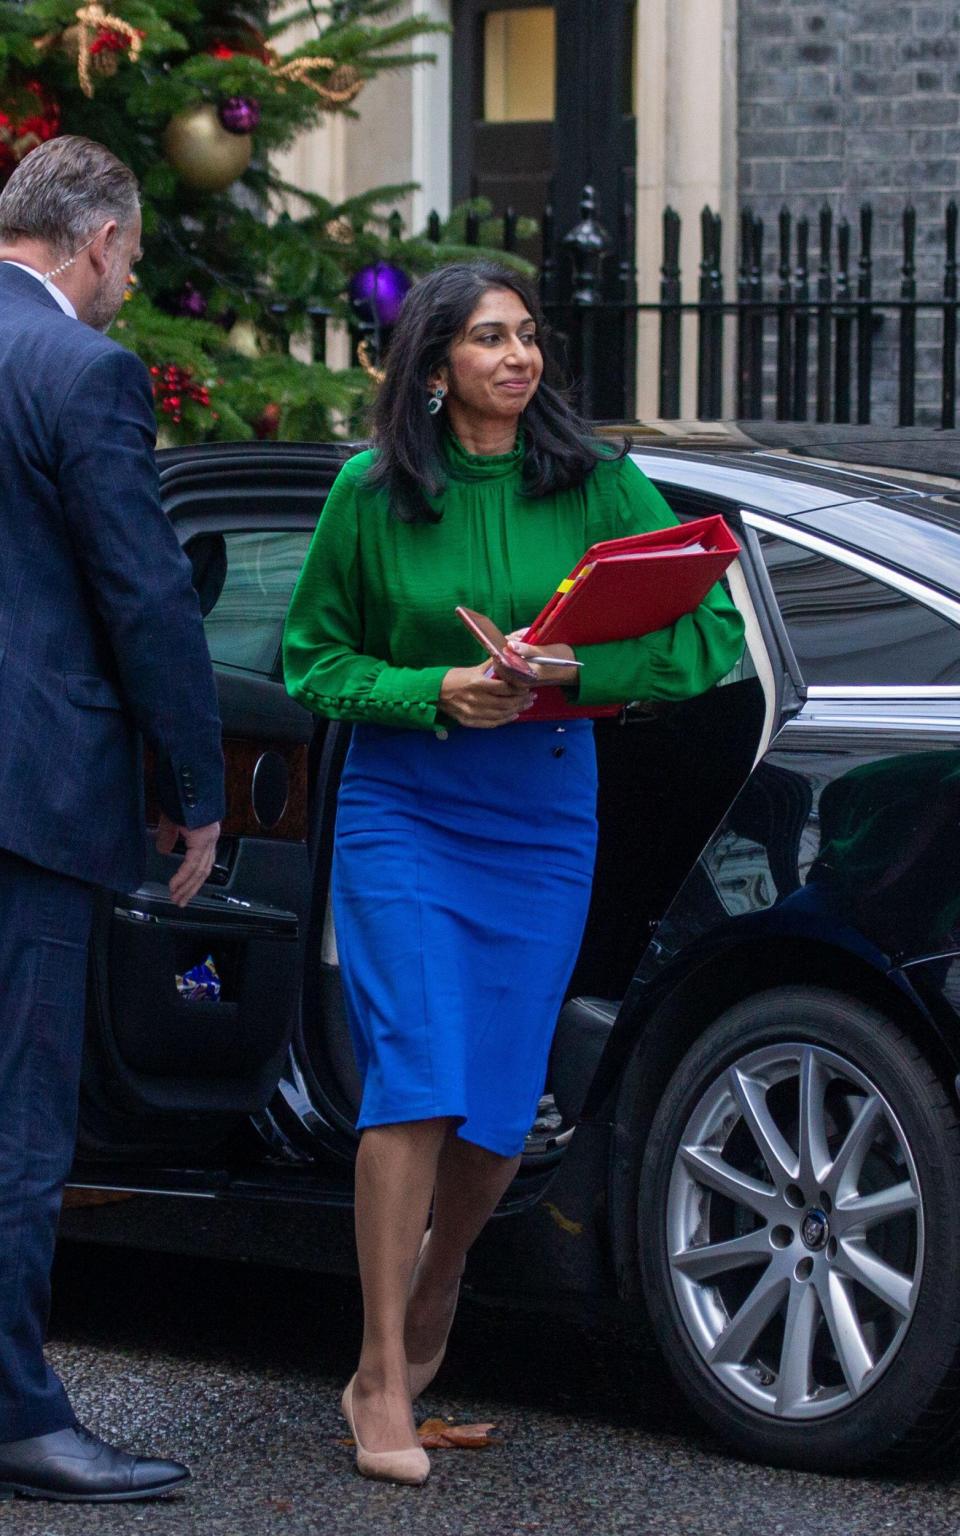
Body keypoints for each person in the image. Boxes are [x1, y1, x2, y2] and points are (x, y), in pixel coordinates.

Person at [283, 262, 744, 1486]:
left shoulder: (597, 483)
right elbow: (311, 659)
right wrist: (434, 688)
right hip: (406, 808)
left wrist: (569, 679)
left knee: (497, 1105)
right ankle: (381, 1372)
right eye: (490, 337)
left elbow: (709, 636)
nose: (520, 355)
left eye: (528, 335)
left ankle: (444, 1279)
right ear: (434, 366)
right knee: (418, 1075)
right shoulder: (369, 494)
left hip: (542, 809)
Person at [0, 137, 224, 1500]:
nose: (129, 282)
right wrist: (195, 792)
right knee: (21, 1123)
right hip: (28, 803)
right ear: (94, 245)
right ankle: (18, 1414)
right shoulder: (83, 373)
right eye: (132, 257)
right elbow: (147, 597)